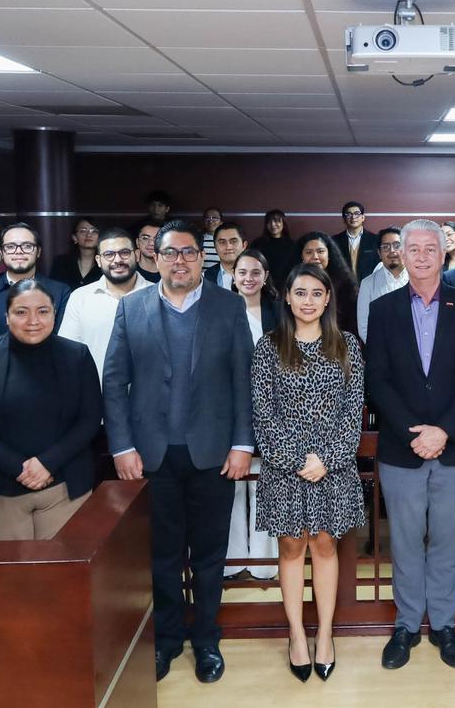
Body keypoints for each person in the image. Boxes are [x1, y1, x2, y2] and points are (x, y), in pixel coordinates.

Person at [103, 219, 254, 684]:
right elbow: (114, 382)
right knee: (162, 555)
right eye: (170, 253)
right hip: (152, 456)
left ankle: (206, 639)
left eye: (189, 252)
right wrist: (122, 445)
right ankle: (167, 639)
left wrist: (243, 443)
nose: (180, 261)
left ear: (202, 258)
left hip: (214, 454)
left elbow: (243, 379)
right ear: (156, 258)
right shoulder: (132, 307)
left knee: (209, 555)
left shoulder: (229, 306)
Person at [366, 219, 455, 671]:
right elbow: (377, 380)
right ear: (401, 254)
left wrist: (444, 431)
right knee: (403, 540)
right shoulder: (383, 309)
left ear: (443, 254)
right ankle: (406, 625)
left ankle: (443, 625)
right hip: (402, 448)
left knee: (447, 538)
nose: (420, 256)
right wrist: (413, 432)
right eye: (412, 248)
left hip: (452, 446)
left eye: (429, 249)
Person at [252, 263, 366, 682]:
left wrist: (326, 459)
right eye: (300, 293)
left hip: (332, 468)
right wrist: (298, 460)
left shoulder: (347, 345)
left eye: (316, 293)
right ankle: (297, 634)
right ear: (286, 296)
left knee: (324, 545)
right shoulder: (269, 347)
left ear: (328, 298)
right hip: (285, 469)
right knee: (290, 548)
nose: (308, 301)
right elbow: (263, 415)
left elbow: (353, 414)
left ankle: (325, 634)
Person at [0, 279, 100, 541]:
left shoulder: (77, 356)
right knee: (12, 568)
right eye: (21, 312)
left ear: (54, 314)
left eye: (42, 311)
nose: (33, 320)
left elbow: (90, 419)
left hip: (65, 484)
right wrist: (19, 468)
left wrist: (47, 463)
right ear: (7, 316)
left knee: (63, 565)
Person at [224, 249, 281, 582]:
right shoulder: (220, 309)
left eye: (255, 272)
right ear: (233, 276)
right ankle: (231, 561)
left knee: (264, 485)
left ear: (265, 276)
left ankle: (264, 563)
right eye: (242, 272)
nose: (248, 278)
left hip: (273, 409)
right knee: (232, 487)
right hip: (230, 407)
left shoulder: (279, 311)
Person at [58, 227, 152, 377]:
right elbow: (67, 353)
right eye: (109, 254)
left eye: (124, 253)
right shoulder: (80, 298)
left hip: (147, 389)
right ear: (98, 261)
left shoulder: (157, 295)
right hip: (94, 388)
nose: (117, 260)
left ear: (137, 255)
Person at [0, 222, 71, 350]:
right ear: (1, 252)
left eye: (27, 246)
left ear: (38, 252)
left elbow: (63, 344)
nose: (19, 251)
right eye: (10, 246)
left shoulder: (60, 292)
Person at [294, 231, 358, 336]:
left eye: (320, 251)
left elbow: (352, 323)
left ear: (329, 255)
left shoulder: (345, 284)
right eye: (309, 252)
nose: (315, 256)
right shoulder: (293, 284)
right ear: (302, 257)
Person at [357, 226, 408, 344]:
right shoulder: (368, 284)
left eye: (397, 245)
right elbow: (364, 327)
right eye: (385, 247)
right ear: (379, 253)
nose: (392, 251)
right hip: (381, 351)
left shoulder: (420, 279)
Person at [48, 216, 103, 290]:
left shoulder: (104, 264)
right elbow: (53, 290)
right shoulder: (61, 263)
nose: (88, 235)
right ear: (75, 238)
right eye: (83, 231)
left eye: (94, 231)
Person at [332, 200, 381, 282]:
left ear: (363, 217)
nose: (353, 217)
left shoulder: (375, 239)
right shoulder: (334, 241)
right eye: (349, 214)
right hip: (343, 286)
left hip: (370, 285)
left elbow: (379, 266)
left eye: (357, 214)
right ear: (344, 219)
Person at [254, 208, 298, 285]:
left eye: (277, 221)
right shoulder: (258, 243)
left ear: (283, 223)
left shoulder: (292, 245)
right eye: (269, 222)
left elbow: (295, 267)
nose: (273, 224)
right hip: (263, 284)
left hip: (286, 285)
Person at [204, 220, 247, 290]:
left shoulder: (256, 274)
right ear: (215, 247)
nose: (228, 247)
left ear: (244, 245)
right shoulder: (205, 277)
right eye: (222, 242)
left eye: (233, 241)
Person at [134, 218, 163, 283]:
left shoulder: (171, 272)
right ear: (137, 243)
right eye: (145, 238)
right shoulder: (129, 272)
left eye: (157, 238)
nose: (152, 243)